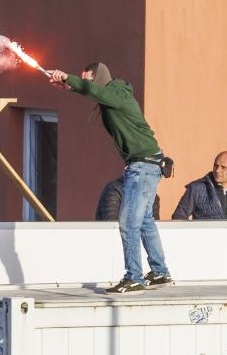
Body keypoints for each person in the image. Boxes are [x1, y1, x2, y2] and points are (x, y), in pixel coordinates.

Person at [48, 62, 172, 294]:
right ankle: (160, 272)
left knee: (128, 223)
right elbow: (94, 92)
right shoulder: (113, 94)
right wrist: (71, 85)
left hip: (143, 166)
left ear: (98, 78)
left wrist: (69, 78)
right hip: (148, 164)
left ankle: (134, 277)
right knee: (144, 220)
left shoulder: (117, 93)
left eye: (88, 80)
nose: (87, 85)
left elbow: (96, 92)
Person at [94, 176, 158, 221]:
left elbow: (154, 227)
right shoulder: (115, 189)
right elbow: (112, 225)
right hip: (113, 238)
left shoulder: (151, 194)